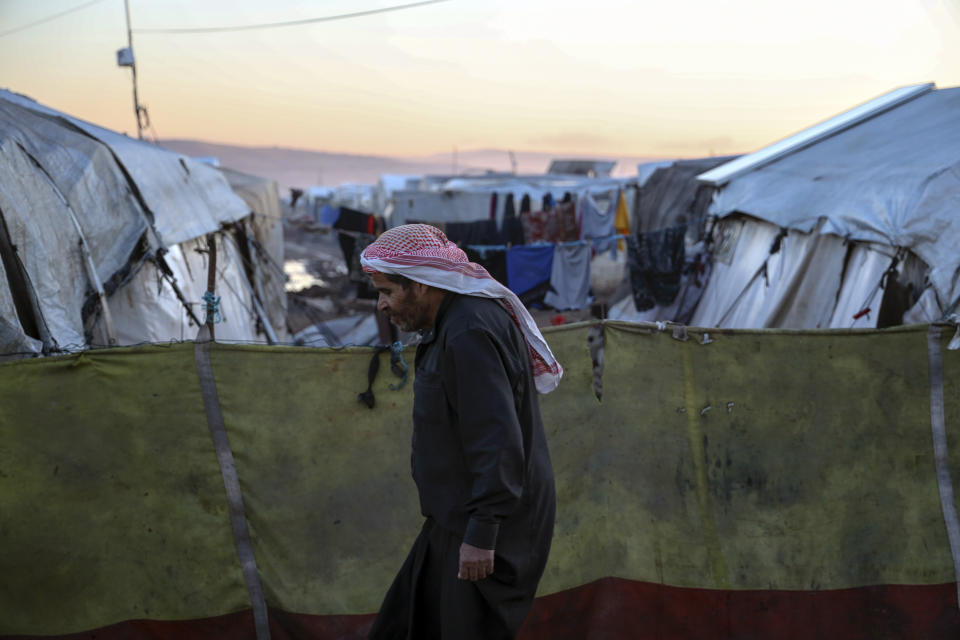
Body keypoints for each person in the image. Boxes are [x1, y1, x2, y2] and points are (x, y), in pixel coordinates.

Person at [361, 224, 561, 640]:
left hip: (487, 527)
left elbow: (496, 439)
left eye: (386, 292)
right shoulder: (453, 324)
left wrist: (482, 534)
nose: (380, 306)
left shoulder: (469, 331)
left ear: (420, 285)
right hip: (457, 517)